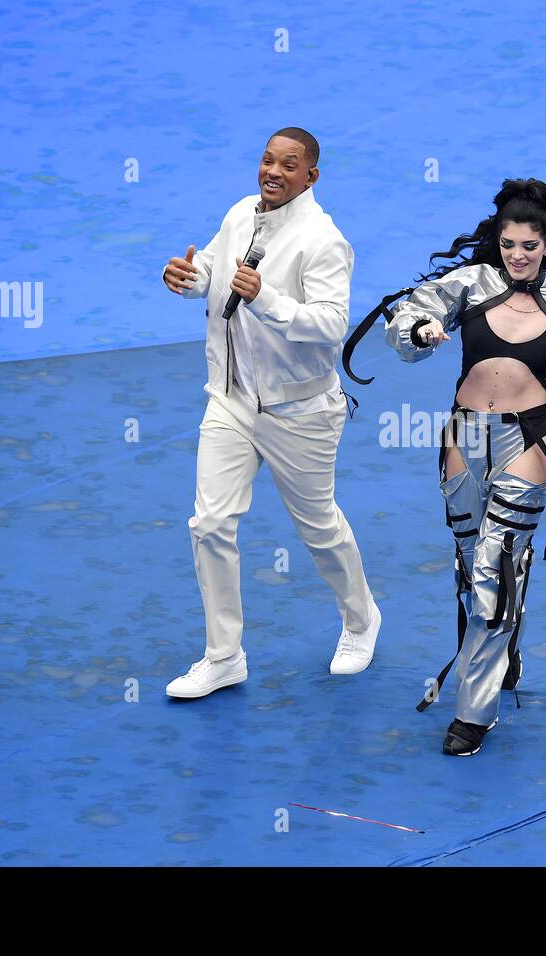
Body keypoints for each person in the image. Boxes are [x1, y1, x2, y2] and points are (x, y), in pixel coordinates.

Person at [371, 178, 546, 755]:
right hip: (463, 435)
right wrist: (419, 332)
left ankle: (473, 714)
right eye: (509, 243)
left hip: (529, 439)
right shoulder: (468, 284)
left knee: (496, 570)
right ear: (497, 240)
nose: (518, 254)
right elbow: (403, 326)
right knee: (472, 566)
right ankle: (502, 648)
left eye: (530, 245)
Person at [160, 127, 381, 699]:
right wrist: (190, 281)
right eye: (266, 160)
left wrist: (267, 300)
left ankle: (361, 620)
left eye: (289, 164)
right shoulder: (240, 214)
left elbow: (331, 324)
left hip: (299, 411)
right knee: (209, 524)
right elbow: (211, 269)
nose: (273, 172)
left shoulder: (324, 240)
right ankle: (223, 655)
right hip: (230, 401)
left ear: (311, 176)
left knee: (318, 528)